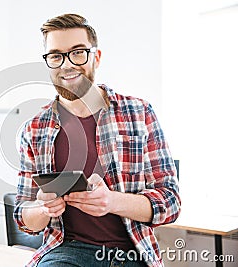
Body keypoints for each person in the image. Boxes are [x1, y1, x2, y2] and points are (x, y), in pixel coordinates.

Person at [14, 13, 181, 267]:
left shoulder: (140, 113)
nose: (66, 65)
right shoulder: (35, 129)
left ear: (97, 57)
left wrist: (112, 201)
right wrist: (42, 208)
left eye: (78, 52)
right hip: (67, 252)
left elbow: (170, 203)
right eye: (56, 55)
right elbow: (23, 217)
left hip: (131, 253)